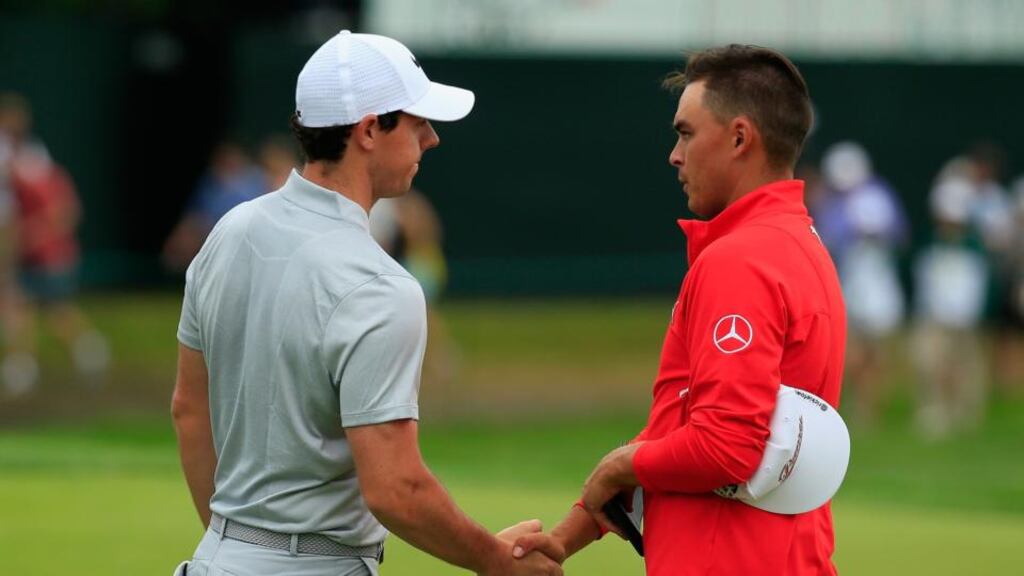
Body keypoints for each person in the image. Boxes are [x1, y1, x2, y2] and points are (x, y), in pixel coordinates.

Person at [171, 30, 561, 576]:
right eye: (418, 121)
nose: (431, 139)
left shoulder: (230, 232)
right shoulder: (381, 286)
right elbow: (395, 488)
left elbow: (188, 409)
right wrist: (494, 560)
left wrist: (236, 542)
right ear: (370, 129)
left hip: (215, 559)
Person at [513, 45, 845, 575]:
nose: (674, 153)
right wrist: (566, 537)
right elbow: (686, 426)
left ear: (739, 138)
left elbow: (726, 444)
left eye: (686, 132)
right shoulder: (802, 246)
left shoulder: (740, 260)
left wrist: (618, 464)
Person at [0, 94, 109, 396]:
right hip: (34, 255)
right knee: (20, 307)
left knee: (55, 310)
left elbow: (64, 212)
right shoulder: (24, 164)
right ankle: (21, 367)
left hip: (49, 256)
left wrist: (37, 237)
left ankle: (89, 351)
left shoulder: (35, 169)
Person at [818, 141, 907, 427]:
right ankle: (857, 404)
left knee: (876, 352)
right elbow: (828, 241)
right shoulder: (831, 204)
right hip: (849, 284)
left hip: (878, 285)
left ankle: (870, 407)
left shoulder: (879, 197)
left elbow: (899, 235)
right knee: (851, 352)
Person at [161, 141, 267, 272]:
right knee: (183, 237)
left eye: (231, 157)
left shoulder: (255, 179)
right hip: (212, 231)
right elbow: (197, 213)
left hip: (246, 233)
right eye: (224, 159)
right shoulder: (210, 182)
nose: (228, 162)